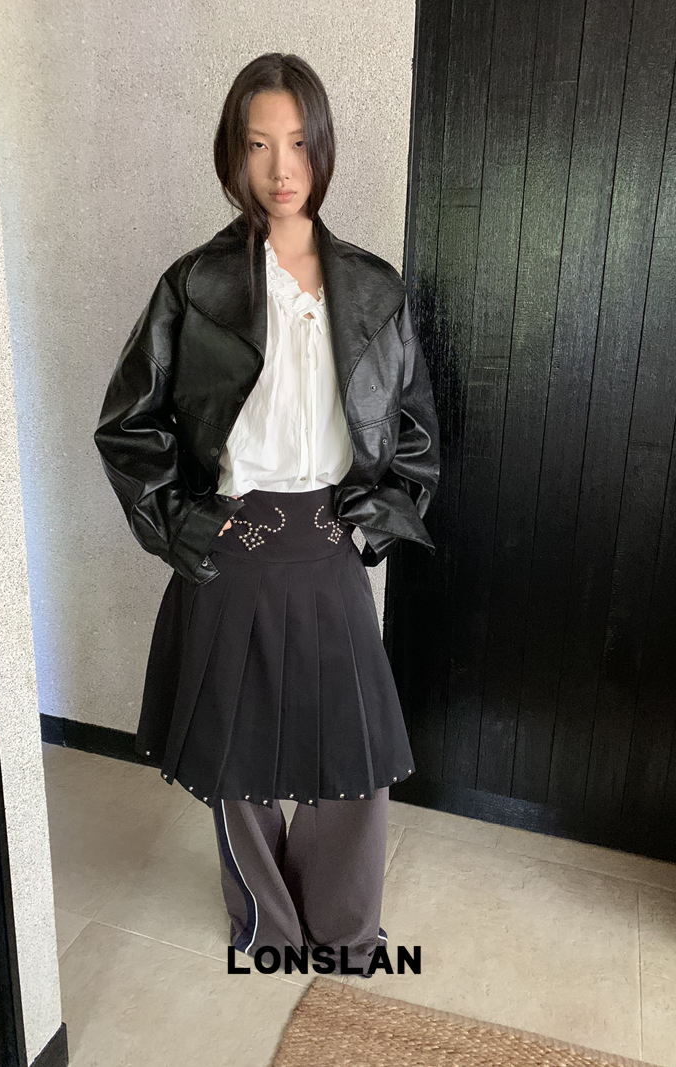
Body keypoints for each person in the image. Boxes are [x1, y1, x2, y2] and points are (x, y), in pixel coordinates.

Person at [94, 52, 440, 978]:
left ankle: (344, 929)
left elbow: (414, 432)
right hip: (231, 551)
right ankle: (270, 932)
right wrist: (176, 522)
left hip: (328, 546)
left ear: (322, 148)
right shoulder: (193, 284)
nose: (281, 168)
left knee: (355, 754)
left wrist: (378, 517)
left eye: (297, 143)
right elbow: (128, 425)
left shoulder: (375, 288)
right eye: (257, 145)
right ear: (233, 154)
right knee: (236, 759)